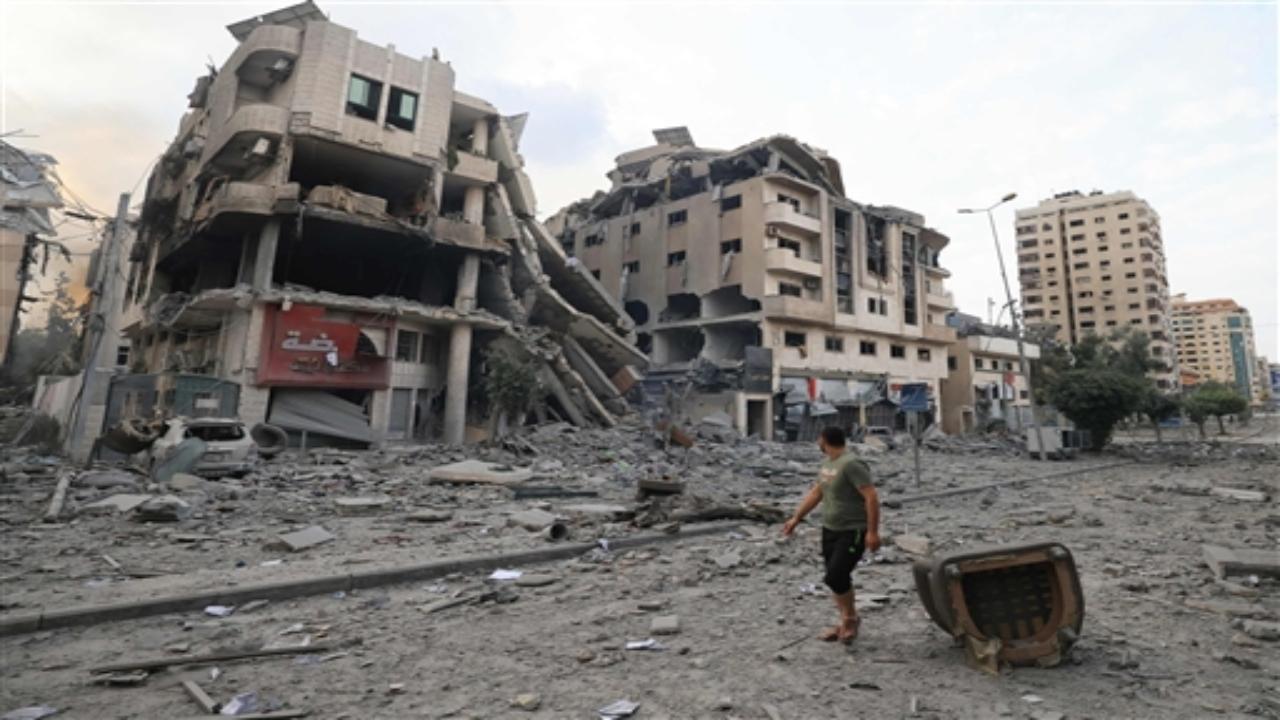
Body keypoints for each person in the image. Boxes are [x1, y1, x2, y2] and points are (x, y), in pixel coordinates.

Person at [782, 426, 881, 644]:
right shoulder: (828, 465)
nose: (818, 442)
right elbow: (817, 493)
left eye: (819, 438)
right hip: (830, 528)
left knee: (835, 576)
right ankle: (847, 619)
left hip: (853, 530)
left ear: (824, 440)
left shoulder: (852, 464)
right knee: (838, 578)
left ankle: (850, 619)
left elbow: (871, 497)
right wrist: (795, 518)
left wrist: (872, 532)